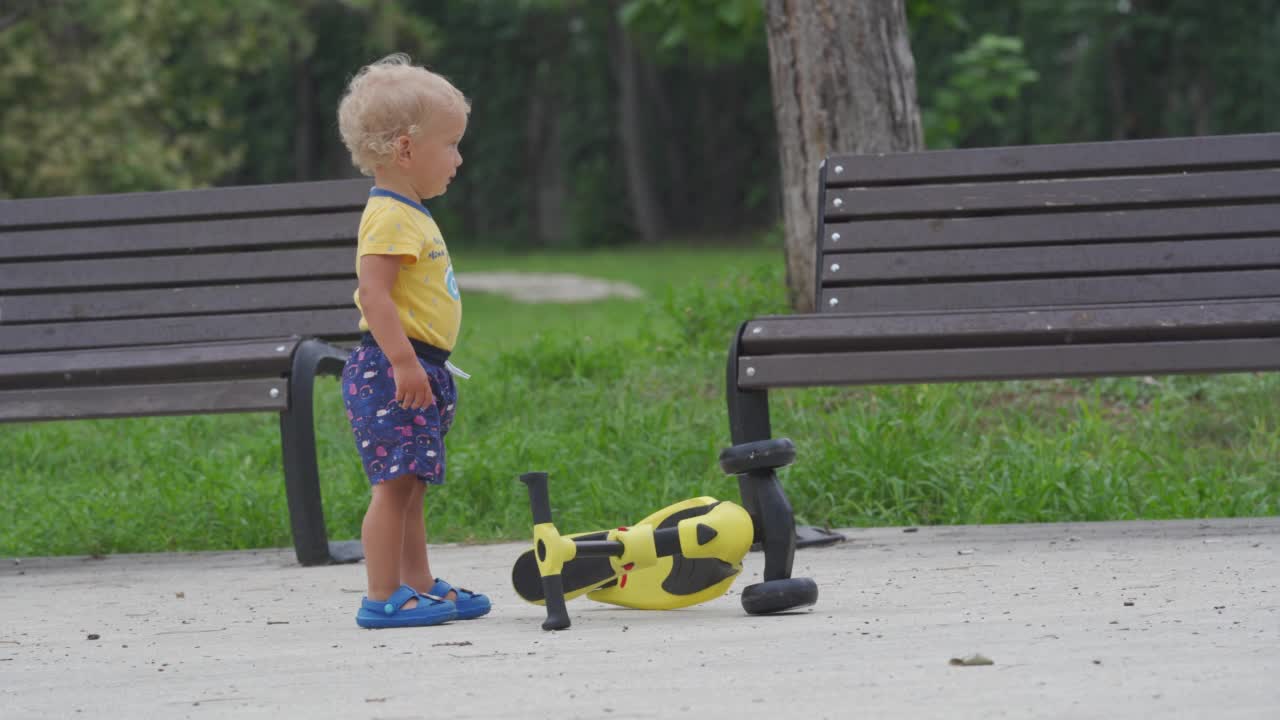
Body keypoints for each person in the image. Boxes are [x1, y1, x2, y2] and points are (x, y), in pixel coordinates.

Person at [336, 53, 490, 628]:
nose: (458, 157)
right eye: (449, 144)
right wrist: (403, 362)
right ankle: (382, 597)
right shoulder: (392, 217)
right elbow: (373, 296)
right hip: (392, 368)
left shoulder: (409, 211)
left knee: (411, 486)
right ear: (405, 150)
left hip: (417, 366)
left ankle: (417, 584)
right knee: (393, 486)